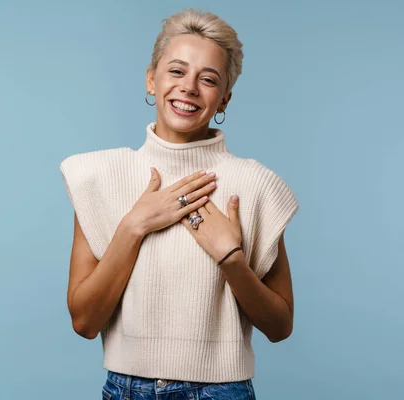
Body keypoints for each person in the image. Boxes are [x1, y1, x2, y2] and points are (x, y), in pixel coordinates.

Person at [59, 8, 299, 400]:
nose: (188, 87)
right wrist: (133, 226)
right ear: (151, 80)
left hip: (223, 391)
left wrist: (232, 259)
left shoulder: (255, 185)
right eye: (176, 71)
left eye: (208, 79)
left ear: (224, 97)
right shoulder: (97, 176)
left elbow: (280, 326)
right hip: (126, 390)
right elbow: (85, 322)